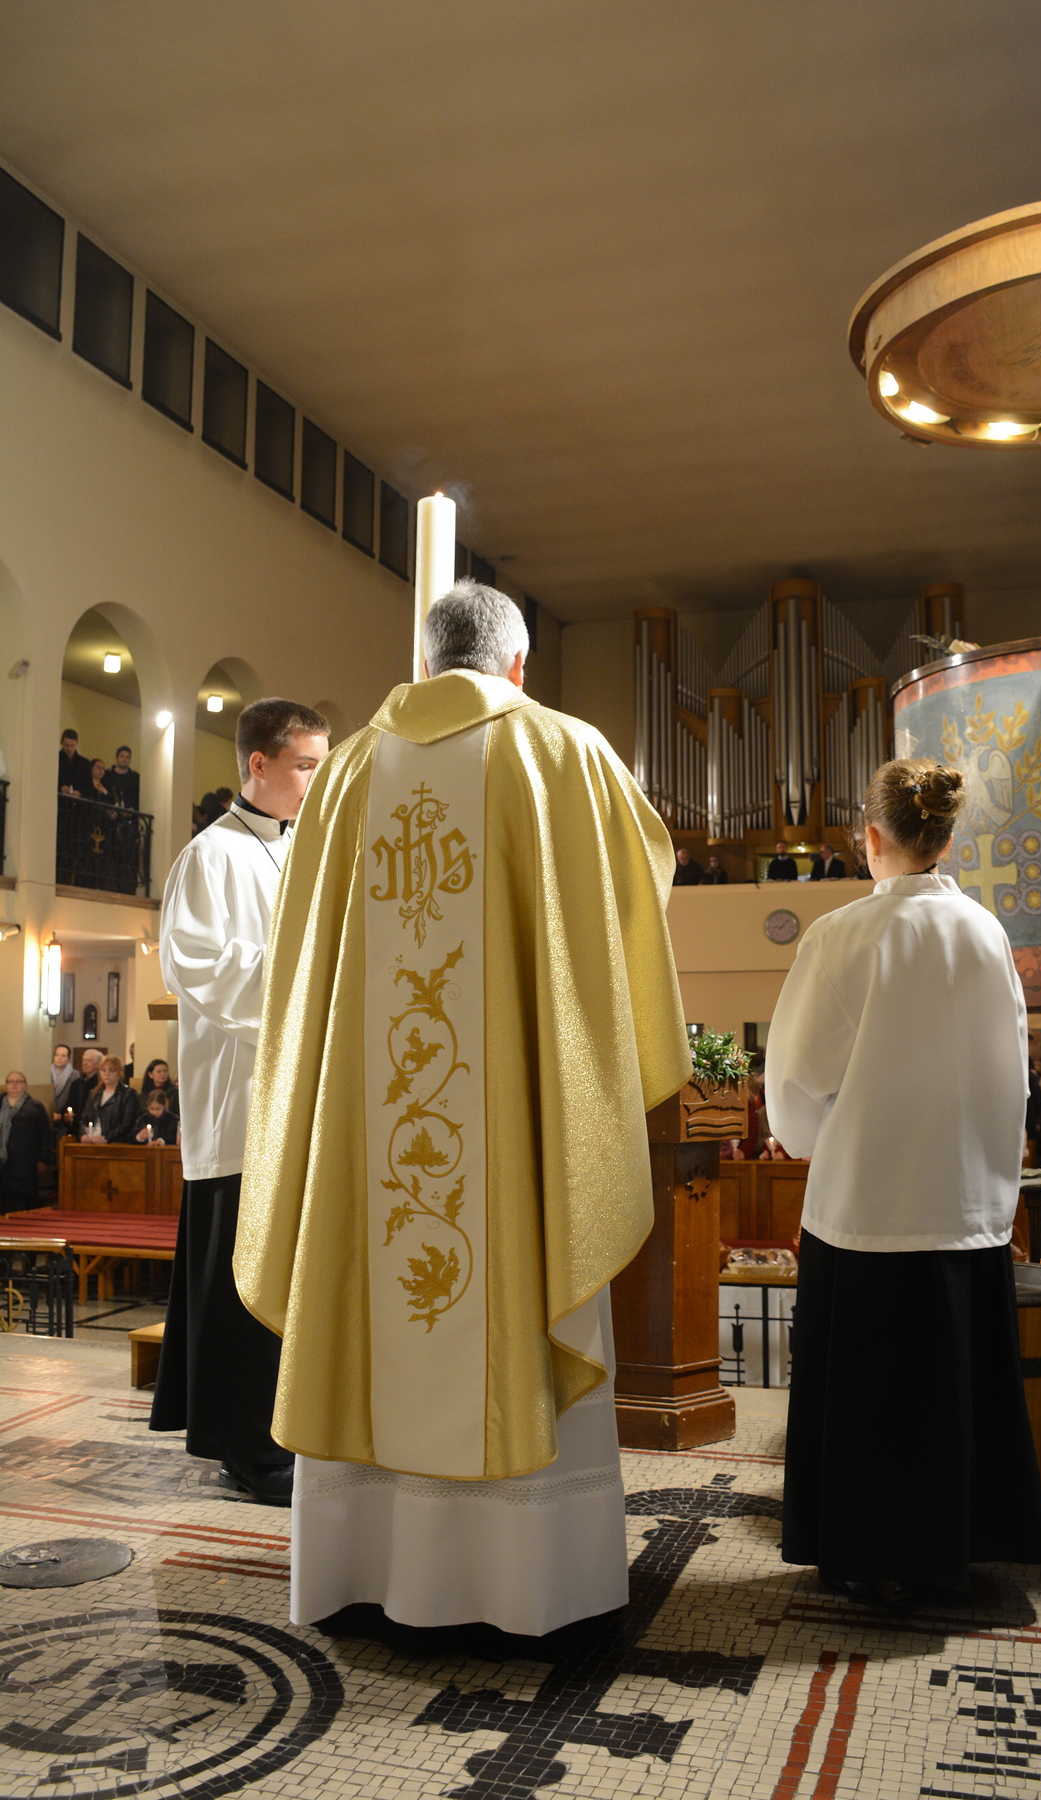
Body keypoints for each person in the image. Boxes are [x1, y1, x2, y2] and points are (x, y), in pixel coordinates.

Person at [235, 580, 690, 1636]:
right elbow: (630, 904)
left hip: (368, 1131)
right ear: (518, 664)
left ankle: (363, 1570)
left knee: (366, 1271)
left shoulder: (346, 775)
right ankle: (528, 1587)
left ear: (428, 659)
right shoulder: (565, 755)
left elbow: (300, 970)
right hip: (510, 1143)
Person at [765, 757, 1041, 1609]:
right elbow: (1011, 1071)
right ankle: (951, 1549)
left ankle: (858, 1555)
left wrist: (812, 1139)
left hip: (863, 1206)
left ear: (871, 837)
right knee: (948, 1395)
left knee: (865, 1400)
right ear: (946, 839)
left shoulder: (842, 936)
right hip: (961, 1205)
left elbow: (796, 1081)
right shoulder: (986, 933)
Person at [149, 697, 330, 1506]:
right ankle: (246, 1451)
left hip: (295, 1101)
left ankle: (280, 1434)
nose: (315, 781)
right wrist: (305, 978)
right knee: (238, 1289)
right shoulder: (210, 855)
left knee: (280, 1287)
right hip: (241, 1106)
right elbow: (194, 964)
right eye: (304, 766)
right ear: (258, 764)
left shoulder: (299, 851)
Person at [0, 1072, 53, 1211]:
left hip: (24, 1161)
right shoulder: (1, 1104)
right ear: (6, 1085)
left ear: (25, 1085)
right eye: (11, 1082)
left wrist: (43, 1159)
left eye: (19, 1081)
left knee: (19, 1199)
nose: (15, 1085)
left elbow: (45, 1134)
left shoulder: (35, 1107)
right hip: (2, 1159)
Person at [79, 1056, 141, 1143]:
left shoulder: (128, 1094)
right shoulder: (94, 1093)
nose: (107, 1074)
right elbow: (84, 1118)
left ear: (119, 1073)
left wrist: (106, 1138)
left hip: (115, 1142)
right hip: (92, 1139)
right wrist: (83, 1134)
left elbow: (127, 1124)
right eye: (103, 1070)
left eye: (111, 1071)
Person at [63, 1047, 102, 1137]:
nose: (84, 1063)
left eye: (89, 1060)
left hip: (93, 1129)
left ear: (98, 1065)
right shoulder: (76, 1084)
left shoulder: (100, 1084)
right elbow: (70, 1103)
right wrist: (67, 1115)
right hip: (76, 1128)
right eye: (83, 1060)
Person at [107, 746, 140, 810]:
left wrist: (132, 809)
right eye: (122, 756)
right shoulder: (107, 775)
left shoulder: (135, 777)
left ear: (130, 759)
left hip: (131, 813)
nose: (124, 759)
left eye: (127, 757)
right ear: (116, 758)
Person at [59, 729, 91, 796]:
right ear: (61, 742)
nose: (69, 749)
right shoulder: (56, 759)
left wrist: (80, 792)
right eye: (66, 745)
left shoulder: (84, 763)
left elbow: (88, 786)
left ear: (77, 744)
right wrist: (60, 787)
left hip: (77, 801)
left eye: (72, 745)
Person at [49, 1043, 74, 1123]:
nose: (59, 1058)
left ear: (68, 1058)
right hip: (48, 1114)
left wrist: (64, 1114)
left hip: (65, 1117)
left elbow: (75, 1097)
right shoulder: (46, 1073)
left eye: (63, 1056)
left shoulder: (74, 1074)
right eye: (57, 1055)